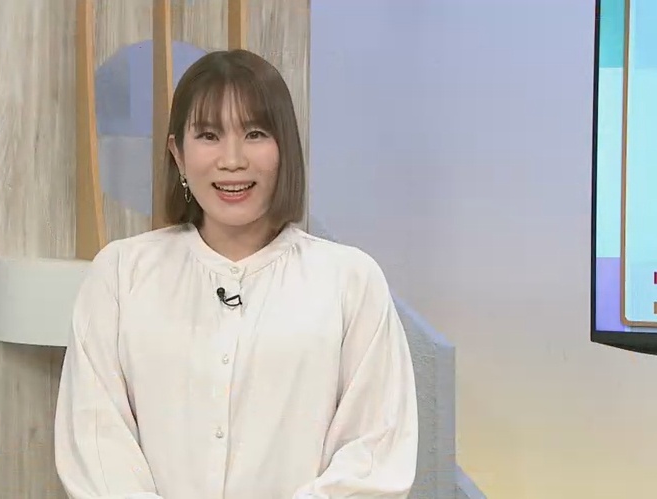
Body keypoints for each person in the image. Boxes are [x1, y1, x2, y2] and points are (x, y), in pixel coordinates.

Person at [54, 49, 418, 499]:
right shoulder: (120, 275)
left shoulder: (350, 282)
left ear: (285, 149)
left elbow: (374, 455)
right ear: (178, 154)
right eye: (209, 135)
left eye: (255, 134)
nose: (232, 160)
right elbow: (96, 441)